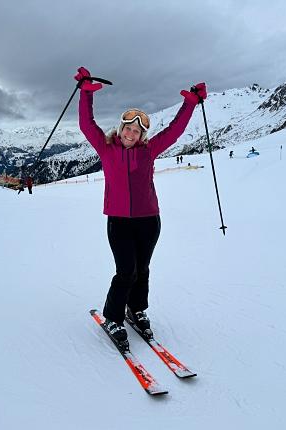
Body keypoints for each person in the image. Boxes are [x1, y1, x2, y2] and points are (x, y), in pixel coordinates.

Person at [76, 66, 206, 347]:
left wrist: (190, 103)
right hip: (119, 221)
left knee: (142, 269)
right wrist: (86, 94)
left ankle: (136, 309)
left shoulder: (149, 150)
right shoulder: (105, 147)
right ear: (120, 129)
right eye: (128, 128)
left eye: (137, 130)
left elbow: (175, 131)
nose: (131, 133)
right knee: (126, 270)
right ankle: (113, 316)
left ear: (142, 135)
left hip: (149, 220)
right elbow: (87, 125)